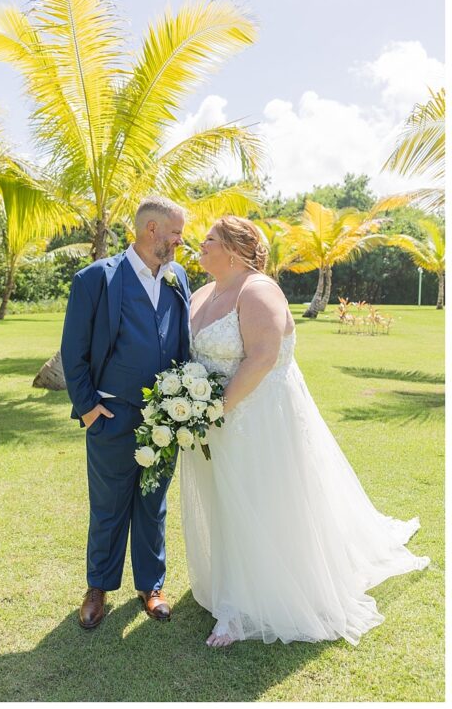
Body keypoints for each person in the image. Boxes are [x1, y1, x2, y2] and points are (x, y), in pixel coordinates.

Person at [181, 215, 430, 646]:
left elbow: (261, 357)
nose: (200, 245)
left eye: (209, 239)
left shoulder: (258, 290)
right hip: (217, 420)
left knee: (264, 500)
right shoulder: (203, 292)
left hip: (259, 419)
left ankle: (243, 607)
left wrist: (216, 409)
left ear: (236, 249)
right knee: (228, 502)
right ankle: (233, 584)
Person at [60, 196, 190, 629]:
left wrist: (184, 406)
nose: (179, 240)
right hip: (111, 418)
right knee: (108, 505)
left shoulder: (178, 279)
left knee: (153, 504)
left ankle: (151, 586)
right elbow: (72, 351)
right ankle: (98, 587)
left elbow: (184, 341)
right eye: (175, 232)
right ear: (151, 229)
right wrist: (89, 408)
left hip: (166, 420)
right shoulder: (96, 279)